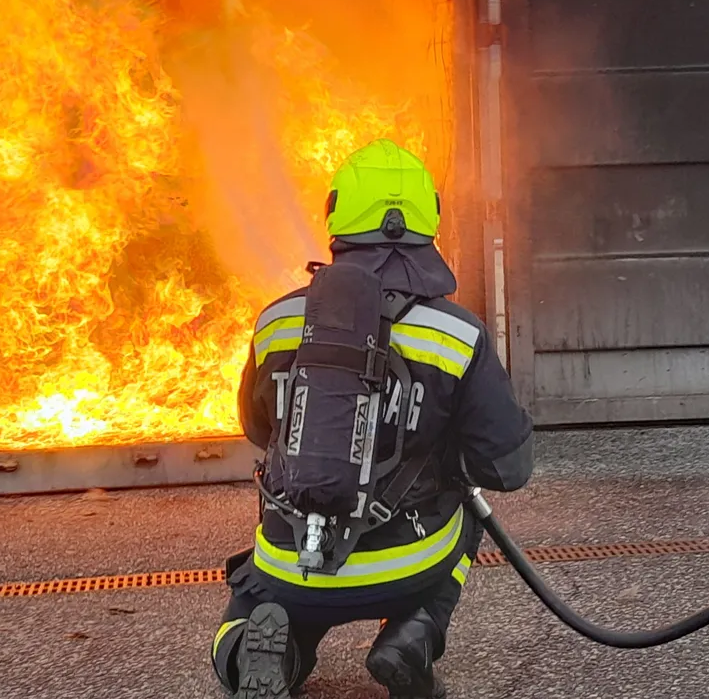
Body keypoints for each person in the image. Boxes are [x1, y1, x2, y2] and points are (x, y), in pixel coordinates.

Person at [211, 138, 535, 699]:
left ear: (338, 215)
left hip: (292, 561)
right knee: (468, 517)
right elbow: (507, 466)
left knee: (258, 600)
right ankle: (414, 633)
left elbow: (259, 430)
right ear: (430, 215)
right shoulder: (458, 333)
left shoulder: (276, 321)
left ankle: (260, 651)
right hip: (410, 561)